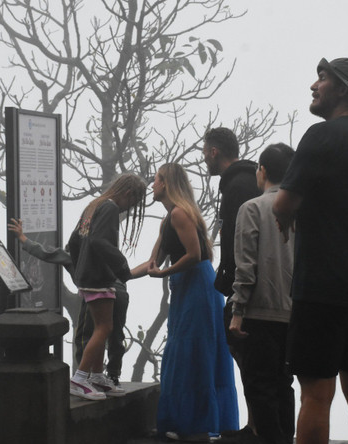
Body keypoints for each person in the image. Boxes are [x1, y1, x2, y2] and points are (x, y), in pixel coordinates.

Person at [273, 57, 348, 444]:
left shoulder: (320, 136)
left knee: (316, 394)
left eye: (322, 79)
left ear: (342, 89)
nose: (314, 85)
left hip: (323, 287)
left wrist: (290, 216)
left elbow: (281, 205)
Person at [8, 173, 147, 401]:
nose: (130, 209)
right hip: (100, 277)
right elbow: (100, 242)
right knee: (103, 328)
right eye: (133, 203)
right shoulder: (110, 208)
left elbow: (74, 241)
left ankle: (96, 375)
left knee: (105, 327)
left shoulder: (94, 206)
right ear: (128, 194)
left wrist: (80, 264)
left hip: (89, 276)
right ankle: (80, 378)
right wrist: (122, 267)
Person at [133, 163, 239, 442]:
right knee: (182, 352)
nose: (152, 185)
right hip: (184, 286)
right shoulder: (167, 219)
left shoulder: (181, 213)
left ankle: (197, 424)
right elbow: (152, 262)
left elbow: (194, 255)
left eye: (156, 180)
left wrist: (165, 274)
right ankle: (183, 422)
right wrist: (121, 277)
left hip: (198, 286)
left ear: (166, 183)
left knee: (193, 352)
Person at [229, 143, 296, 444]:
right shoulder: (302, 209)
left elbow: (246, 266)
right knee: (285, 384)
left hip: (260, 311)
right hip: (295, 313)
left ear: (263, 171)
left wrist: (237, 312)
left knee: (260, 387)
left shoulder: (252, 208)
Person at [202, 126, 261, 438]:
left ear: (214, 152)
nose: (203, 158)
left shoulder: (237, 186)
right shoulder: (250, 179)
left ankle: (255, 428)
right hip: (257, 282)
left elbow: (239, 241)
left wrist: (229, 283)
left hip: (247, 286)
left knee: (250, 359)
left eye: (204, 152)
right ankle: (254, 425)